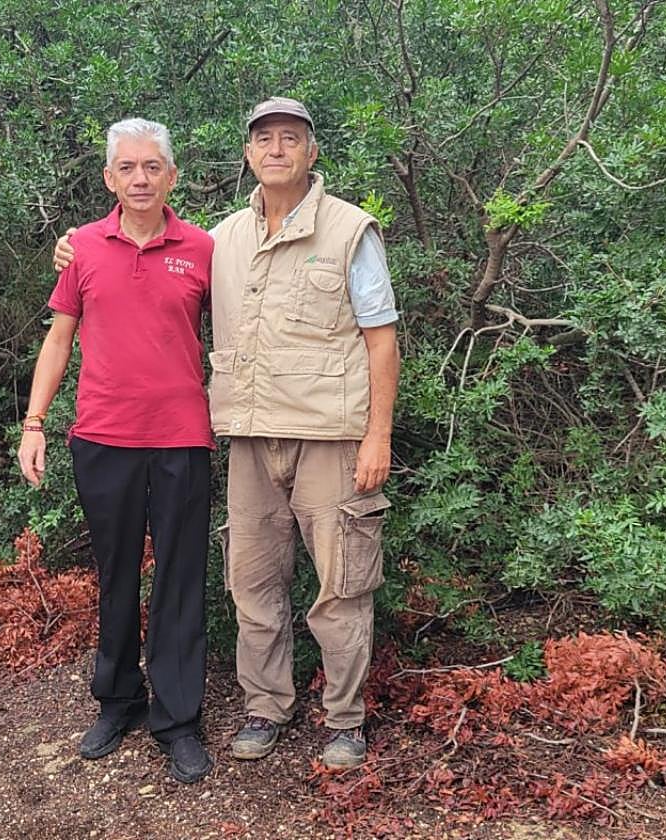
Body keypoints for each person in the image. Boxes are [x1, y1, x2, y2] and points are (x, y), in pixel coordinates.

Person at [54, 97, 399, 770]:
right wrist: (75, 245)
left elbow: (382, 342)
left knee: (341, 586)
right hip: (247, 438)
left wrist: (377, 437)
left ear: (311, 151)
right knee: (253, 583)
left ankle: (344, 721)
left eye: (290, 138)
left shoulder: (352, 231)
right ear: (247, 155)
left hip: (329, 437)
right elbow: (146, 266)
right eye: (263, 139)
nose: (276, 149)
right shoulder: (222, 241)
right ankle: (266, 706)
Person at [20, 117, 215, 784]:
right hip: (102, 438)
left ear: (172, 176)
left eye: (151, 166)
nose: (139, 177)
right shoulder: (82, 248)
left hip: (184, 437)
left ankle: (179, 719)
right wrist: (35, 422)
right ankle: (118, 700)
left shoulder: (205, 248)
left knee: (181, 579)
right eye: (126, 167)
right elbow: (58, 338)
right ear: (109, 178)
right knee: (117, 575)